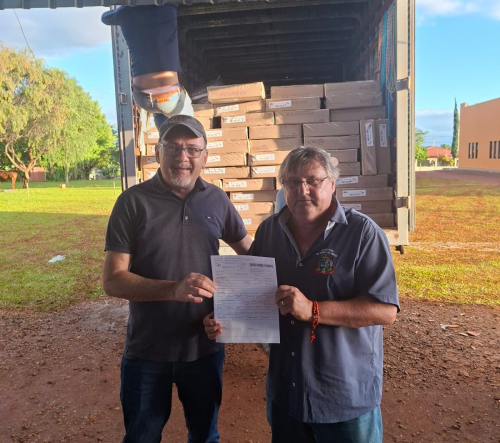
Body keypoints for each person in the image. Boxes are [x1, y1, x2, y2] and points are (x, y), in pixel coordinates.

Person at [204, 146, 399, 443]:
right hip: (287, 392)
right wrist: (223, 317)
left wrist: (313, 310)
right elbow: (250, 293)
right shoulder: (269, 231)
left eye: (313, 181)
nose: (302, 190)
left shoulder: (363, 234)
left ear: (332, 184)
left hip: (344, 396)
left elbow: (385, 310)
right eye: (293, 182)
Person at [102, 115, 253, 442]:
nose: (182, 157)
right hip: (147, 349)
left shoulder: (217, 200)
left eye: (192, 149)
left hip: (204, 348)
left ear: (205, 157)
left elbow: (252, 259)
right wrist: (173, 289)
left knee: (205, 436)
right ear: (158, 152)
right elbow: (112, 280)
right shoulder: (132, 202)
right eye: (173, 147)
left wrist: (230, 311)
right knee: (141, 437)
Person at [101, 4, 194, 130]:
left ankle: (164, 136)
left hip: (150, 98)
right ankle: (164, 137)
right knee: (169, 112)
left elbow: (104, 18)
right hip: (148, 97)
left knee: (164, 111)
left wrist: (123, 9)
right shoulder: (167, 4)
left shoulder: (123, 13)